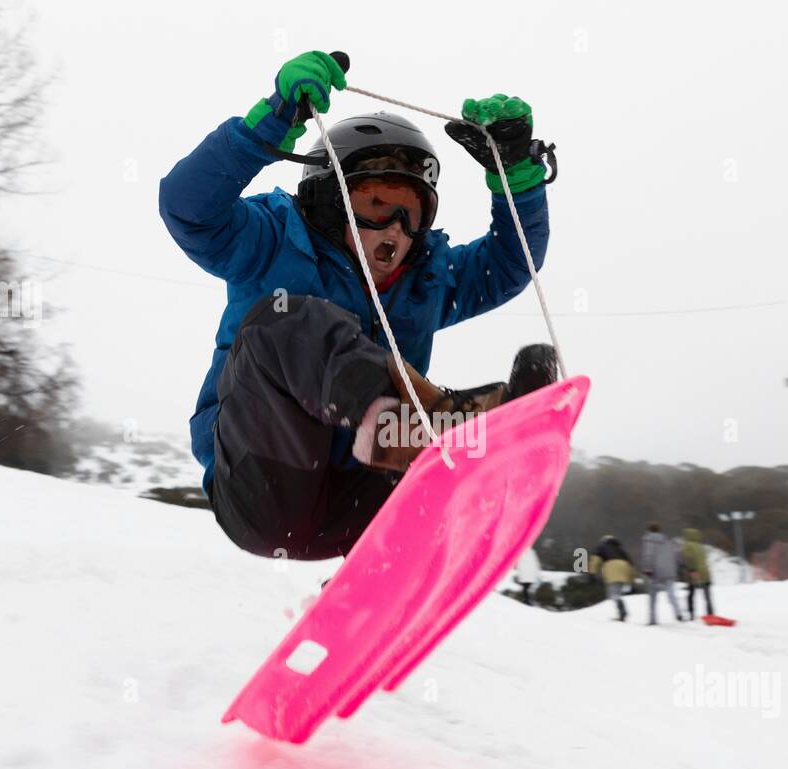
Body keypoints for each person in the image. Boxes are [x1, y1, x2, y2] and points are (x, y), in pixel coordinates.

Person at [158, 51, 556, 560]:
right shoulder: (273, 241)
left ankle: (473, 462)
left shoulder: (425, 282)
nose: (396, 229)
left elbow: (510, 262)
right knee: (284, 317)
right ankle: (418, 425)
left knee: (535, 367)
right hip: (264, 485)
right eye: (375, 204)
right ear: (330, 198)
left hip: (363, 502)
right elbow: (187, 206)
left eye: (412, 214)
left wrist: (516, 174)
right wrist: (273, 120)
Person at [640, 521, 684, 625]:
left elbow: (648, 555)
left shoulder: (648, 540)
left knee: (653, 596)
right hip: (670, 570)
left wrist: (647, 569)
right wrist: (680, 566)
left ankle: (652, 619)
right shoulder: (668, 540)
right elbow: (676, 555)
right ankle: (678, 613)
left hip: (656, 571)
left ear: (648, 530)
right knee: (671, 594)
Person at [589, 534, 634, 622]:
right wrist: (631, 579)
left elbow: (595, 559)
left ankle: (622, 612)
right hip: (624, 569)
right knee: (617, 593)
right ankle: (621, 612)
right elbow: (631, 564)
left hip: (613, 568)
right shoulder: (620, 549)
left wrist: (591, 573)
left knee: (613, 594)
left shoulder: (602, 547)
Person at [679, 527, 715, 621]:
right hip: (705, 573)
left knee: (691, 594)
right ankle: (710, 613)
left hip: (694, 573)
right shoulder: (700, 546)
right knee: (707, 595)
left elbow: (688, 558)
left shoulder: (687, 546)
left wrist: (691, 570)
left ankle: (691, 613)